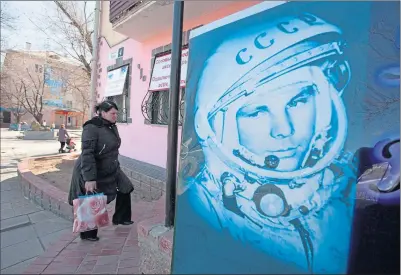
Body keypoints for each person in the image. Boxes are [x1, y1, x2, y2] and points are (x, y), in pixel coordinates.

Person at [177, 13, 357, 274]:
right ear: (218, 128)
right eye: (256, 112)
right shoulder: (203, 213)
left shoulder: (346, 189)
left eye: (297, 101)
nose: (284, 130)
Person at [68, 100, 134, 241]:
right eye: (113, 113)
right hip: (91, 169)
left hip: (111, 167)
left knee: (126, 187)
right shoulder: (91, 127)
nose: (116, 116)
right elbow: (87, 153)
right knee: (91, 198)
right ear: (102, 113)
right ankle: (87, 234)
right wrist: (89, 178)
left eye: (117, 113)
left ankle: (121, 218)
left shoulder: (111, 126)